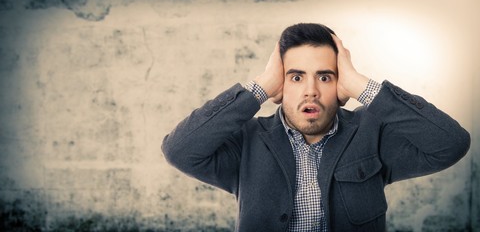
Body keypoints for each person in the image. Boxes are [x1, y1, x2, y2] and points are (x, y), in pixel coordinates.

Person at [161, 23, 471, 232]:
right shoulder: (248, 140)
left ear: (341, 84)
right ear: (281, 85)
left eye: (325, 77)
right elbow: (179, 150)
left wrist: (364, 87)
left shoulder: (370, 132)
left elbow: (451, 143)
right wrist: (261, 87)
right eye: (296, 77)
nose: (311, 90)